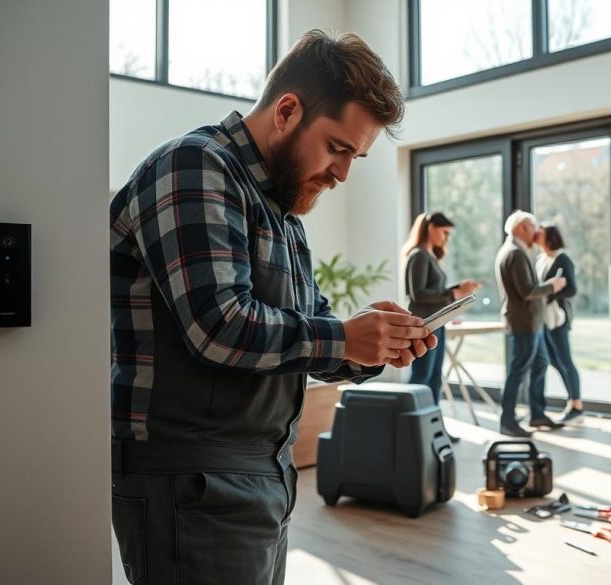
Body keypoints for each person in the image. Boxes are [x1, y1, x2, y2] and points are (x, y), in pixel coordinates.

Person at [109, 30, 434, 585]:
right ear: (287, 111)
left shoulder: (280, 211)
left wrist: (375, 343)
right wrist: (343, 338)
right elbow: (220, 326)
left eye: (355, 156)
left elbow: (311, 334)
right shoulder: (194, 166)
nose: (342, 173)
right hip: (193, 480)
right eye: (337, 147)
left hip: (260, 476)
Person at [401, 212, 481, 440]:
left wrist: (457, 289)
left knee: (434, 379)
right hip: (425, 327)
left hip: (436, 325)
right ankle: (410, 429)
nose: (446, 238)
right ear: (432, 227)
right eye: (445, 232)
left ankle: (434, 430)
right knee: (422, 378)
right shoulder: (418, 256)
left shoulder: (429, 257)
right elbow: (418, 295)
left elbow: (434, 293)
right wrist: (453, 292)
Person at [494, 210, 567, 437]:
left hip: (531, 323)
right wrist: (553, 286)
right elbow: (527, 291)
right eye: (533, 227)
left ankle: (537, 414)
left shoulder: (517, 250)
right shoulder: (515, 253)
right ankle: (507, 421)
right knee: (518, 371)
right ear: (521, 228)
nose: (536, 232)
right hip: (524, 323)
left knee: (539, 364)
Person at [535, 223, 585, 424]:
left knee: (565, 361)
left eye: (540, 234)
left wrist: (550, 294)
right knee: (554, 361)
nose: (536, 236)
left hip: (557, 319)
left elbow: (571, 289)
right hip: (544, 320)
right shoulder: (541, 260)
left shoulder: (562, 259)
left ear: (549, 237)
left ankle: (577, 405)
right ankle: (571, 402)